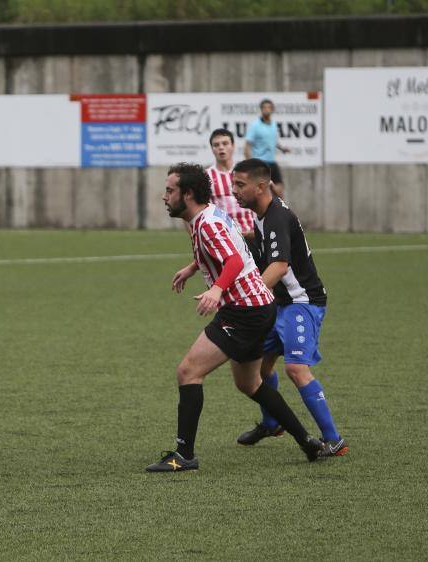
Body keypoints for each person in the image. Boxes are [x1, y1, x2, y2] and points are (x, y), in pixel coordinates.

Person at [145, 162, 323, 473]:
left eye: (170, 190)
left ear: (187, 194)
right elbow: (224, 249)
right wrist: (192, 268)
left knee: (188, 371)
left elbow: (232, 259)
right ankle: (307, 440)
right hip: (259, 306)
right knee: (250, 383)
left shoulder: (207, 224)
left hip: (243, 311)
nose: (164, 196)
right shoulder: (206, 216)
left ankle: (183, 455)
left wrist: (216, 289)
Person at [232, 158, 347, 458]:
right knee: (259, 367)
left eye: (240, 185)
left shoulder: (277, 217)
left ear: (261, 186)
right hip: (280, 304)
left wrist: (248, 296)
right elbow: (266, 239)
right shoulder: (263, 213)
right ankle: (272, 423)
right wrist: (242, 235)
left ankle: (333, 440)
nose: (234, 191)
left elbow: (280, 265)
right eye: (233, 184)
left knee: (295, 368)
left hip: (302, 302)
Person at [206, 128, 255, 236]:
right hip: (223, 237)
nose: (221, 147)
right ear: (212, 149)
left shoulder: (247, 172)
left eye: (225, 143)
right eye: (216, 145)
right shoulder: (206, 176)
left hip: (250, 234)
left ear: (233, 146)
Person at [243, 99, 289, 197]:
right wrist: (250, 164)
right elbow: (247, 145)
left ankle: (277, 210)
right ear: (261, 109)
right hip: (260, 163)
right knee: (261, 193)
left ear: (272, 110)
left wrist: (282, 149)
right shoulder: (255, 126)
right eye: (264, 107)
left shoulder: (273, 124)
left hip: (272, 162)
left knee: (279, 190)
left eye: (269, 107)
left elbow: (273, 141)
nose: (266, 110)